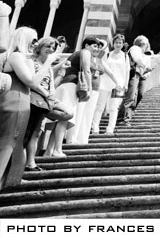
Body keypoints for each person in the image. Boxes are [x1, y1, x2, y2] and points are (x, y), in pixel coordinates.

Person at [0, 27, 52, 190]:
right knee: (7, 142)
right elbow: (32, 81)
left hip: (22, 102)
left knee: (15, 142)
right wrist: (48, 63)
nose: (36, 43)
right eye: (34, 39)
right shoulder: (15, 56)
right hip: (13, 102)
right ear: (23, 39)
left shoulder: (23, 58)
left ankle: (11, 180)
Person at [46, 36, 98, 155]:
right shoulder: (85, 52)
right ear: (86, 45)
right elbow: (86, 70)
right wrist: (89, 88)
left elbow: (53, 68)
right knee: (64, 119)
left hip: (62, 86)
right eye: (94, 46)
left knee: (60, 119)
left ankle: (49, 151)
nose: (96, 49)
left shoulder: (74, 54)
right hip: (71, 87)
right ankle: (58, 149)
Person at [25, 37, 68, 172]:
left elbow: (52, 86)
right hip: (33, 100)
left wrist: (61, 73)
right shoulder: (31, 61)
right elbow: (33, 82)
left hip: (45, 101)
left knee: (37, 132)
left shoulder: (48, 66)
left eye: (53, 48)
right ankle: (29, 162)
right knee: (31, 132)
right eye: (48, 47)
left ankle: (32, 160)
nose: (51, 50)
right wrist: (47, 94)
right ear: (40, 47)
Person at [91, 34, 129, 135]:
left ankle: (110, 129)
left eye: (120, 43)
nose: (118, 44)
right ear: (113, 43)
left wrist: (125, 84)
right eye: (116, 42)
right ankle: (95, 127)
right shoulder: (107, 54)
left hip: (119, 84)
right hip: (105, 83)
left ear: (123, 44)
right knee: (100, 106)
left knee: (114, 107)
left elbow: (127, 71)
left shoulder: (125, 56)